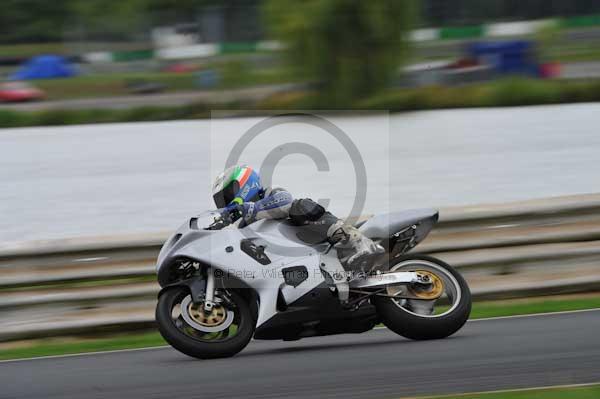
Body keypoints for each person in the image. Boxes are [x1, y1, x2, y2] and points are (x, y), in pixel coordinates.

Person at [211, 165, 384, 268]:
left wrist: (251, 208)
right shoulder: (243, 223)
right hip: (291, 260)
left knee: (300, 206)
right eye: (221, 200)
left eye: (227, 195)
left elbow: (284, 201)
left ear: (244, 184)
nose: (225, 203)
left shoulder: (270, 193)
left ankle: (356, 240)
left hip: (312, 238)